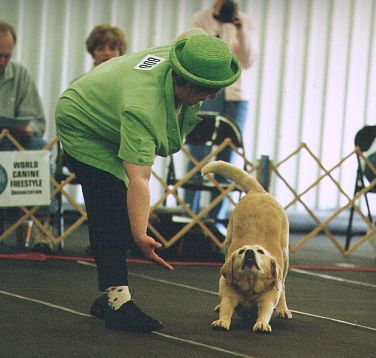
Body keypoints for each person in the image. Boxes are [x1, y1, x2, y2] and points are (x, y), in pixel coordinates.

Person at [55, 28, 241, 332]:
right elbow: (139, 178)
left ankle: (108, 297)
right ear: (190, 83)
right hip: (81, 122)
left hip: (110, 107)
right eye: (210, 88)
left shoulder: (184, 53)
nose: (215, 95)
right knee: (112, 203)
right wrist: (139, 234)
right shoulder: (144, 107)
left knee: (116, 203)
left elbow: (191, 34)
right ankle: (118, 304)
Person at [184, 0, 256, 222]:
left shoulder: (245, 21)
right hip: (205, 92)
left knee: (228, 156)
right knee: (197, 153)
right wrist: (217, 25)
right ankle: (190, 215)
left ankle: (216, 218)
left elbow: (247, 60)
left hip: (236, 97)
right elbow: (199, 52)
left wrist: (240, 30)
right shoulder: (200, 19)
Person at [0, 21, 53, 250]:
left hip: (13, 144)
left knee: (39, 145)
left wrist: (27, 129)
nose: (3, 62)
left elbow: (38, 122)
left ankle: (40, 228)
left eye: (7, 56)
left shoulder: (20, 74)